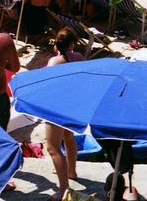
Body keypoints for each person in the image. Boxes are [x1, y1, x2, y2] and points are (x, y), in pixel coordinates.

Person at [44, 28, 80, 200]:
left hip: (56, 107)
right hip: (72, 106)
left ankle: (63, 189)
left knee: (53, 148)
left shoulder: (54, 62)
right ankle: (71, 171)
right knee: (69, 138)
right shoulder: (78, 58)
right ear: (72, 44)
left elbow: (47, 85)